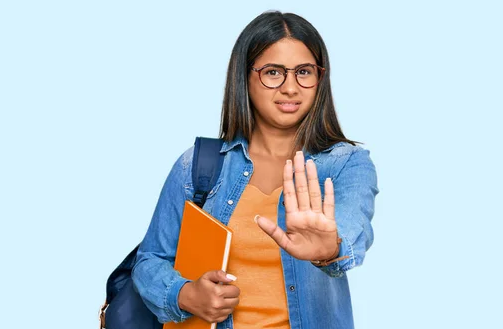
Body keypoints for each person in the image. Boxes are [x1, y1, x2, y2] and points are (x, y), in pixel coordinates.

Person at [132, 10, 379, 329]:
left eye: (304, 71)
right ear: (244, 77)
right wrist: (185, 294)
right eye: (274, 72)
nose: (291, 88)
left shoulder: (347, 164)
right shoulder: (199, 165)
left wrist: (329, 249)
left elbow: (351, 230)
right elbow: (151, 261)